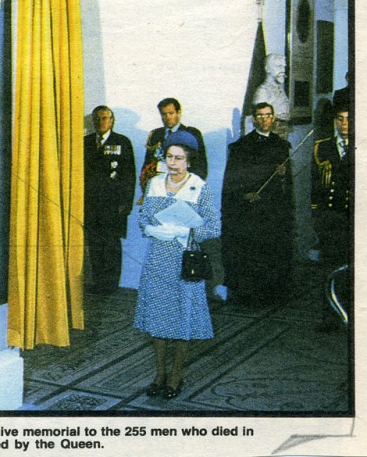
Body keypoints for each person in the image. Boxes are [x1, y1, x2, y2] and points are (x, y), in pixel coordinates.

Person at [134, 131, 220, 400]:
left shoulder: (199, 187)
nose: (173, 163)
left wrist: (189, 233)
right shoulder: (155, 184)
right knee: (158, 317)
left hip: (185, 259)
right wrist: (151, 229)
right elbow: (144, 217)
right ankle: (159, 373)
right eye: (170, 157)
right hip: (158, 258)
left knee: (182, 317)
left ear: (189, 161)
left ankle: (175, 375)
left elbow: (214, 226)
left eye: (179, 158)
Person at [221, 102, 293, 305]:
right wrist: (246, 194)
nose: (264, 119)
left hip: (273, 210)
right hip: (251, 210)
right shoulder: (242, 146)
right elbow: (232, 179)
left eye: (268, 115)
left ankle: (272, 294)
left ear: (273, 118)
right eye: (259, 116)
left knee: (272, 252)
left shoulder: (281, 145)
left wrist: (283, 174)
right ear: (254, 120)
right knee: (252, 254)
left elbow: (286, 185)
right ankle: (250, 296)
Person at [84, 106, 136, 294]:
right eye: (97, 118)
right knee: (95, 244)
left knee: (112, 244)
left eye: (105, 118)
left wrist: (127, 203)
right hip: (91, 204)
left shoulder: (121, 142)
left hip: (114, 205)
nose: (101, 122)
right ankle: (99, 283)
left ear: (112, 121)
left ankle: (111, 285)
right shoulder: (87, 142)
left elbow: (130, 175)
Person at [311, 91, 351, 330]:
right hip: (331, 219)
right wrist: (317, 218)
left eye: (349, 119)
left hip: (354, 219)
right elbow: (316, 188)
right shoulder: (321, 148)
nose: (344, 124)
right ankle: (330, 317)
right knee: (329, 269)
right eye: (340, 119)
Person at [140, 97, 208, 193]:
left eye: (171, 113)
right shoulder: (155, 134)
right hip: (158, 188)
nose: (167, 117)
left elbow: (201, 166)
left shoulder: (191, 133)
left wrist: (190, 189)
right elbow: (147, 164)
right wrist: (146, 186)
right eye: (164, 114)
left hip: (182, 188)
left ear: (178, 113)